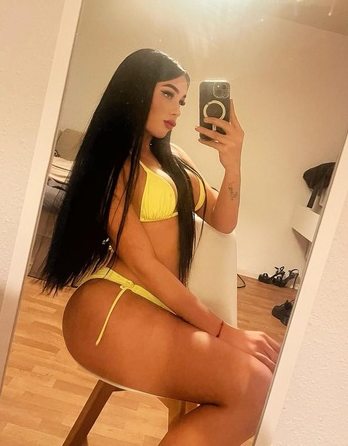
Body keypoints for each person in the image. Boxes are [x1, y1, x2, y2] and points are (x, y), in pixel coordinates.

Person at [42, 49, 279, 445]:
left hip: (156, 310)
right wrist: (225, 332)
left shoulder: (175, 158)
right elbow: (146, 266)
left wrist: (233, 162)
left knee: (261, 384)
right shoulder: (115, 163)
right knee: (255, 384)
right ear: (136, 90)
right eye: (168, 93)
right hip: (111, 307)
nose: (177, 109)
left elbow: (223, 220)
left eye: (182, 100)